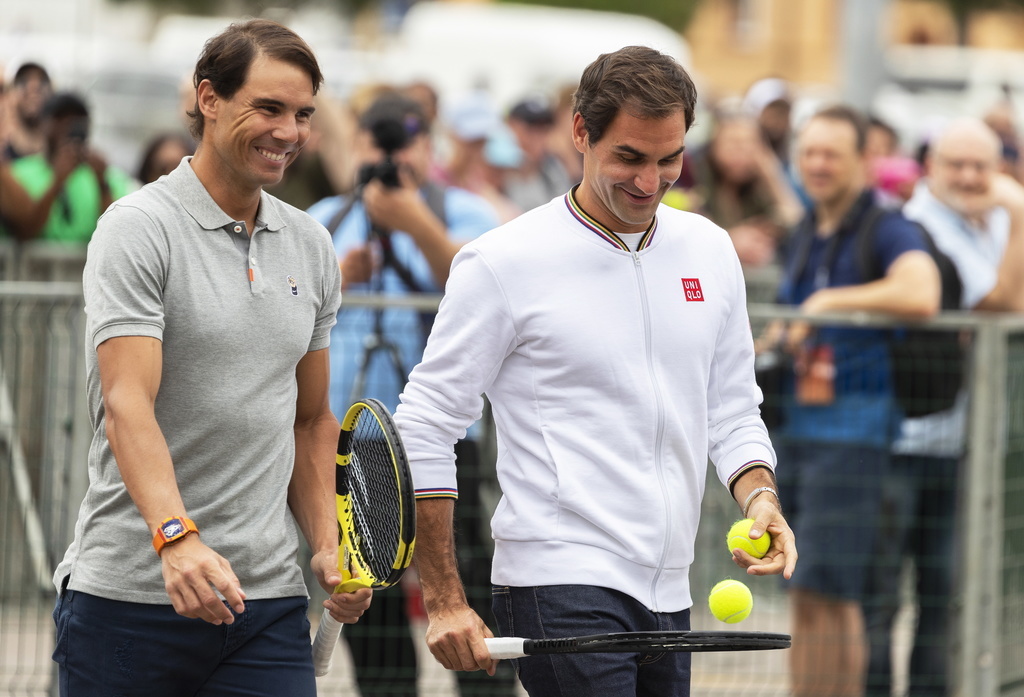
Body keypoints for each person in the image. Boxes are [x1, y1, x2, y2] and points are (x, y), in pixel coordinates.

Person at [393, 45, 798, 697]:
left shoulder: (710, 249)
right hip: (557, 577)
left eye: (670, 159)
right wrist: (443, 595)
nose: (649, 180)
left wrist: (761, 497)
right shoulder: (502, 261)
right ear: (579, 132)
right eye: (630, 157)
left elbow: (730, 407)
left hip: (671, 582)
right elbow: (427, 423)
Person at [50, 19, 372, 696]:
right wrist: (177, 537)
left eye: (303, 114)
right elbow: (125, 404)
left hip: (266, 606)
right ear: (209, 99)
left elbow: (311, 420)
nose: (289, 131)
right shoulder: (138, 227)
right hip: (131, 600)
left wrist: (324, 538)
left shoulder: (311, 244)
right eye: (269, 108)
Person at [306, 91, 509, 697]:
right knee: (369, 591)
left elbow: (480, 290)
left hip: (446, 439)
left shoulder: (466, 213)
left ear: (429, 146)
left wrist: (412, 221)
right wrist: (341, 277)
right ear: (357, 146)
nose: (392, 155)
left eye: (406, 141)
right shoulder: (325, 216)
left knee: (466, 577)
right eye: (377, 140)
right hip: (355, 435)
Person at [767, 104, 941, 697]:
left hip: (854, 435)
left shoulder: (885, 225)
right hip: (800, 429)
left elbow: (922, 291)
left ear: (864, 163)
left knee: (832, 592)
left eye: (831, 154)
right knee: (805, 590)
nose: (817, 164)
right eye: (809, 152)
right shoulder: (805, 230)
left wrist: (824, 306)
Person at [865, 118, 1024, 697]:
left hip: (963, 444)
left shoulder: (990, 226)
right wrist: (1021, 210)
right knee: (880, 598)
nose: (969, 176)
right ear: (930, 167)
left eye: (981, 165)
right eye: (956, 164)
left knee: (944, 597)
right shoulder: (923, 224)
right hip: (904, 442)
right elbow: (1000, 302)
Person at [8, 91, 133, 243]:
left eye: (77, 120)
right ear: (43, 123)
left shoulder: (109, 176)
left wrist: (101, 183)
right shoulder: (17, 174)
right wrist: (58, 181)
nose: (68, 126)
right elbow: (25, 230)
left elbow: (118, 233)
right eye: (60, 119)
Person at [689, 110, 803, 267]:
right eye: (733, 142)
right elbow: (690, 232)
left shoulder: (758, 188)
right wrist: (731, 239)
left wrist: (771, 171)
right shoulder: (695, 179)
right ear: (714, 145)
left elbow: (796, 219)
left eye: (750, 143)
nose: (741, 151)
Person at [502, 93, 575, 212]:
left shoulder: (553, 166)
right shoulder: (496, 165)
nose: (538, 137)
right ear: (511, 126)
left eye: (544, 129)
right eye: (531, 129)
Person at [2, 61, 52, 162]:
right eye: (23, 82)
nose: (33, 88)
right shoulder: (3, 157)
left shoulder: (62, 158)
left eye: (42, 82)